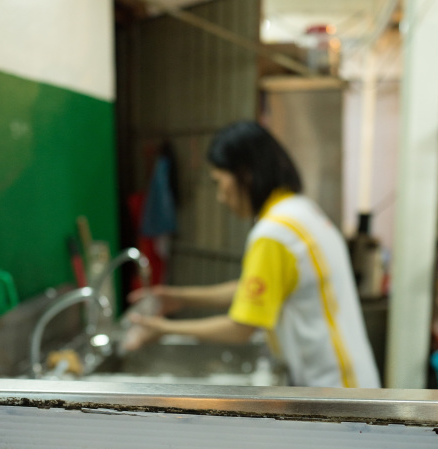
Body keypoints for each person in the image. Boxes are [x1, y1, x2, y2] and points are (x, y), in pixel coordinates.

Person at [125, 120, 380, 388]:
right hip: (351, 380)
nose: (220, 197)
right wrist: (179, 298)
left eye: (219, 182)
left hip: (333, 389)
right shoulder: (298, 211)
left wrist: (163, 330)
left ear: (244, 174)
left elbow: (241, 327)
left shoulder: (273, 233)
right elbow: (257, 291)